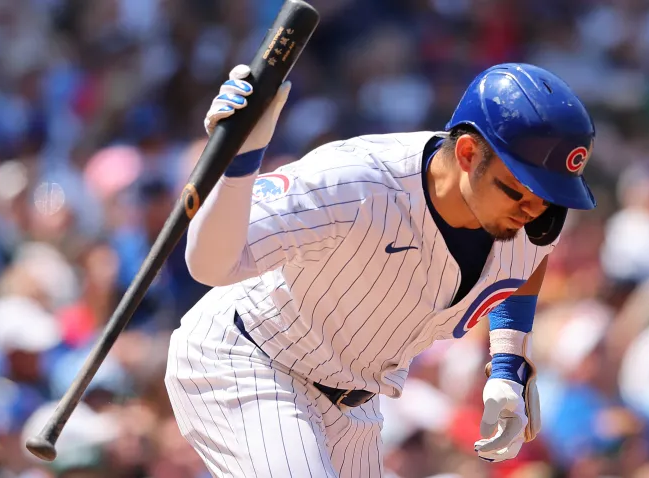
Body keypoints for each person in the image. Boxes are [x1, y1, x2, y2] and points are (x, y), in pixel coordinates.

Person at [164, 62, 597, 477]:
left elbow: (523, 269)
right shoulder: (356, 181)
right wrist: (238, 160)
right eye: (522, 191)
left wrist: (509, 363)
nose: (533, 210)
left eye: (549, 197)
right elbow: (210, 264)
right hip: (250, 360)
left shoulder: (530, 219)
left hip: (356, 405)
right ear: (467, 153)